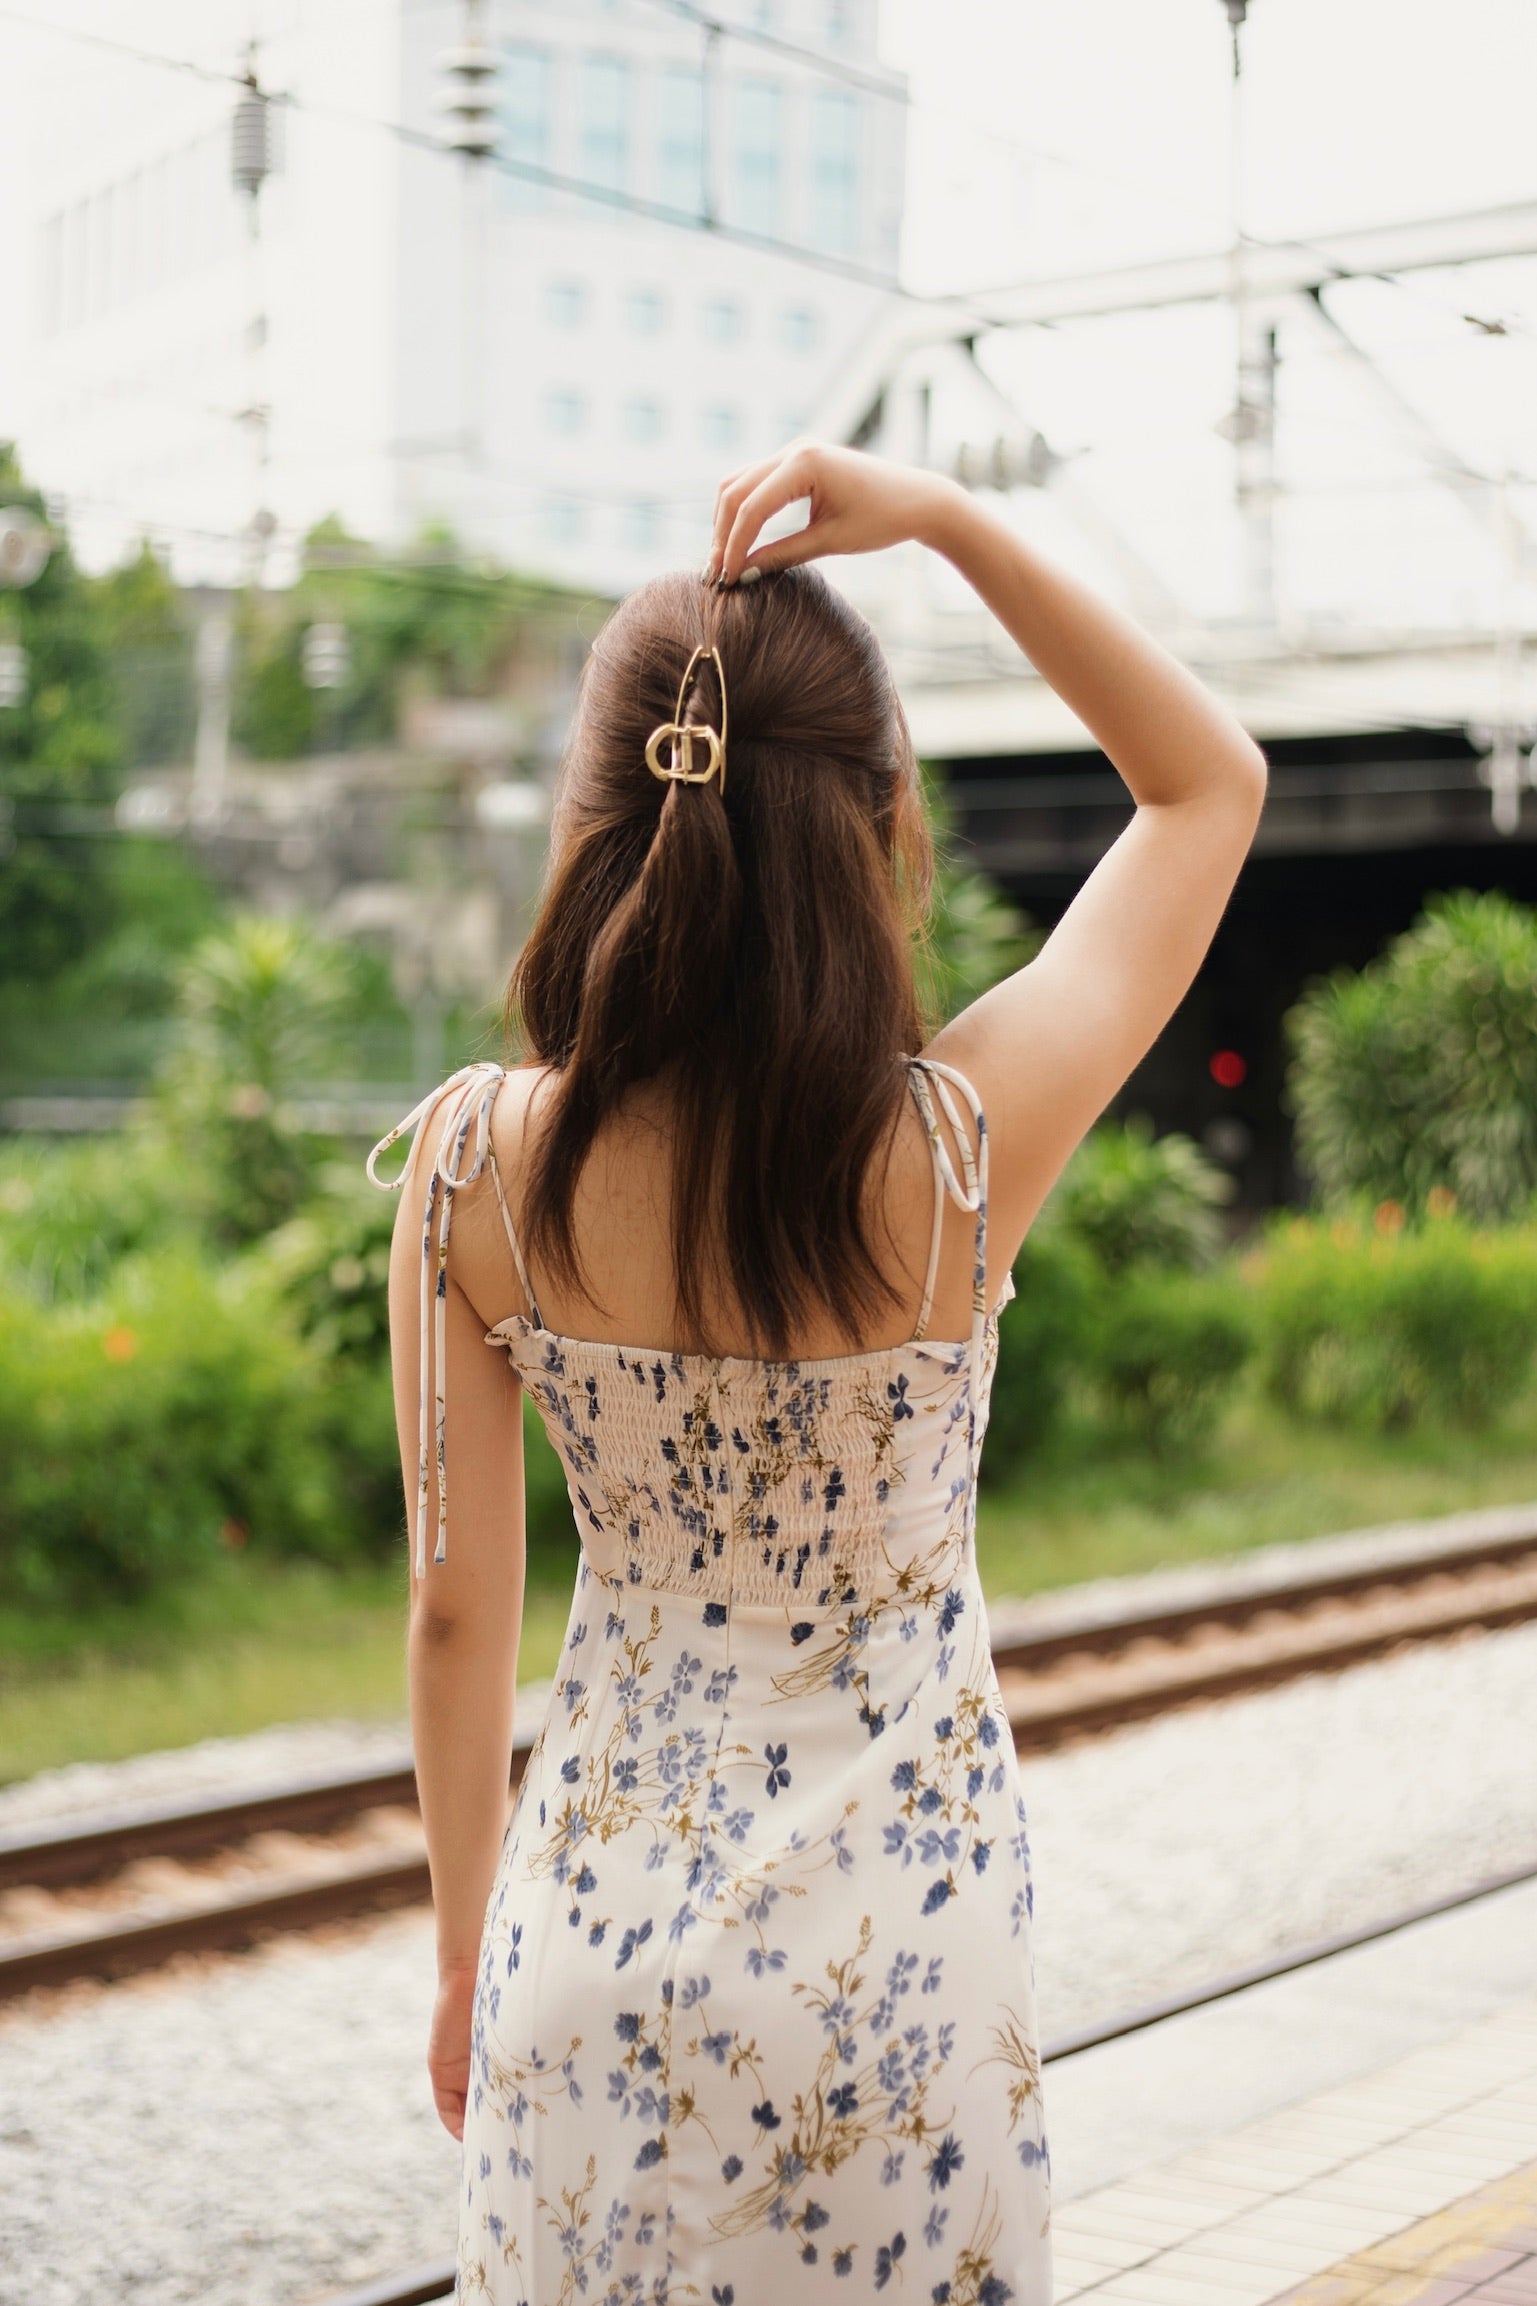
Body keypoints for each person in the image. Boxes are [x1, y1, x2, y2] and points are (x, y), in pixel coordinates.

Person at [368, 441, 1266, 2305]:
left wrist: (470, 1954)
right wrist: (941, 521)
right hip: (897, 1976)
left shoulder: (471, 1165)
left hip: (580, 1953)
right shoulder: (953, 1155)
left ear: (597, 819)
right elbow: (1205, 785)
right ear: (874, 829)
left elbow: (457, 1617)